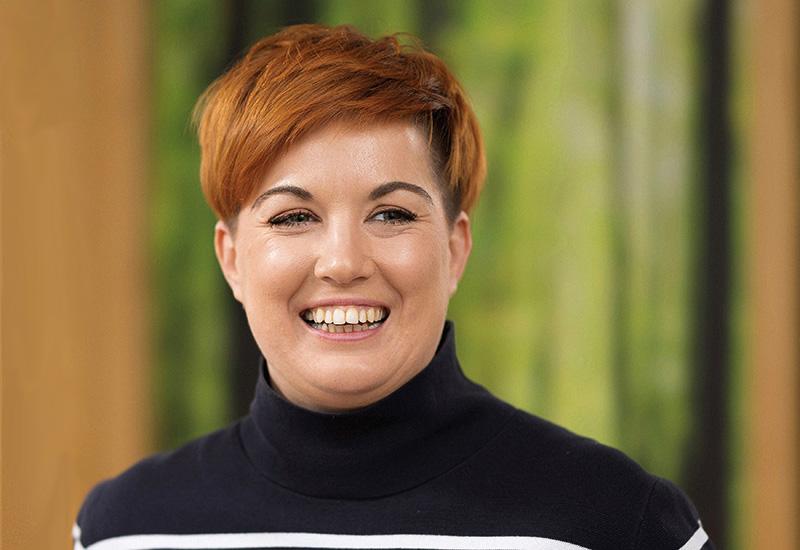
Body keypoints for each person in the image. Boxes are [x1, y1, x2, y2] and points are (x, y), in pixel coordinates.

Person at [73, 24, 713, 550]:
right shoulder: (126, 530)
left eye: (391, 214)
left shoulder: (618, 523)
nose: (342, 261)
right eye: (293, 217)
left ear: (455, 250)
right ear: (232, 258)